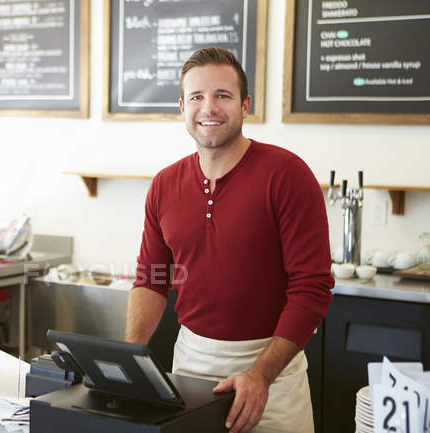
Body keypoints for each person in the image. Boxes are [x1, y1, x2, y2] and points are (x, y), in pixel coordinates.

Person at [125, 47, 334, 433]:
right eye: (197, 97)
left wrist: (260, 376)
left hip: (272, 374)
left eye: (223, 95)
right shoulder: (164, 185)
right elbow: (151, 278)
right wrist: (130, 355)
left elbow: (312, 288)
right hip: (190, 368)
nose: (209, 108)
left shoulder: (287, 175)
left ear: (245, 105)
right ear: (182, 107)